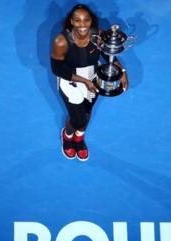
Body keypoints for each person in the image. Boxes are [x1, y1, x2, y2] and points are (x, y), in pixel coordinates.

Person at [50, 4, 129, 161]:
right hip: (70, 79)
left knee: (86, 112)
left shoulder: (98, 36)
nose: (82, 24)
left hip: (94, 76)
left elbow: (108, 55)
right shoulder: (61, 41)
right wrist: (84, 81)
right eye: (77, 20)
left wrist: (122, 72)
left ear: (91, 21)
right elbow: (57, 69)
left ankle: (79, 138)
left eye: (86, 20)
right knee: (78, 120)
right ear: (71, 21)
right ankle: (68, 135)